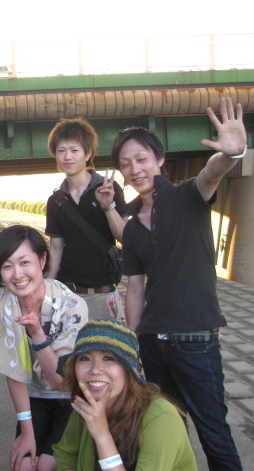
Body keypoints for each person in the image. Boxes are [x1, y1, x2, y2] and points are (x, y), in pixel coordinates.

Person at [110, 96, 246, 470]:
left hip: (195, 342)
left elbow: (211, 174)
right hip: (153, 344)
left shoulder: (187, 196)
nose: (134, 169)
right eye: (125, 164)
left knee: (214, 434)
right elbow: (135, 288)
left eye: (141, 159)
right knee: (169, 431)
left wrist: (231, 154)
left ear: (159, 160)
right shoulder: (132, 228)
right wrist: (133, 342)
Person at [0, 225, 88, 471]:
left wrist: (37, 333)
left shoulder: (72, 306)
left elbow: (60, 382)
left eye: (24, 262)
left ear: (42, 260)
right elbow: (13, 370)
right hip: (33, 398)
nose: (17, 274)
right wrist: (27, 431)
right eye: (7, 266)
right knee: (24, 465)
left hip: (72, 398)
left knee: (46, 465)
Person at [53, 319, 197, 471]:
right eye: (85, 358)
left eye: (108, 358)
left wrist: (103, 437)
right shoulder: (87, 404)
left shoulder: (161, 417)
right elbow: (66, 455)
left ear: (129, 370)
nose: (95, 369)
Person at [45, 117, 128, 320]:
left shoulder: (109, 188)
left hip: (102, 294)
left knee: (108, 342)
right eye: (61, 151)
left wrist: (107, 205)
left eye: (74, 150)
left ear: (88, 153)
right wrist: (47, 290)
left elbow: (125, 237)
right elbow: (56, 249)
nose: (67, 157)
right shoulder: (56, 200)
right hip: (67, 294)